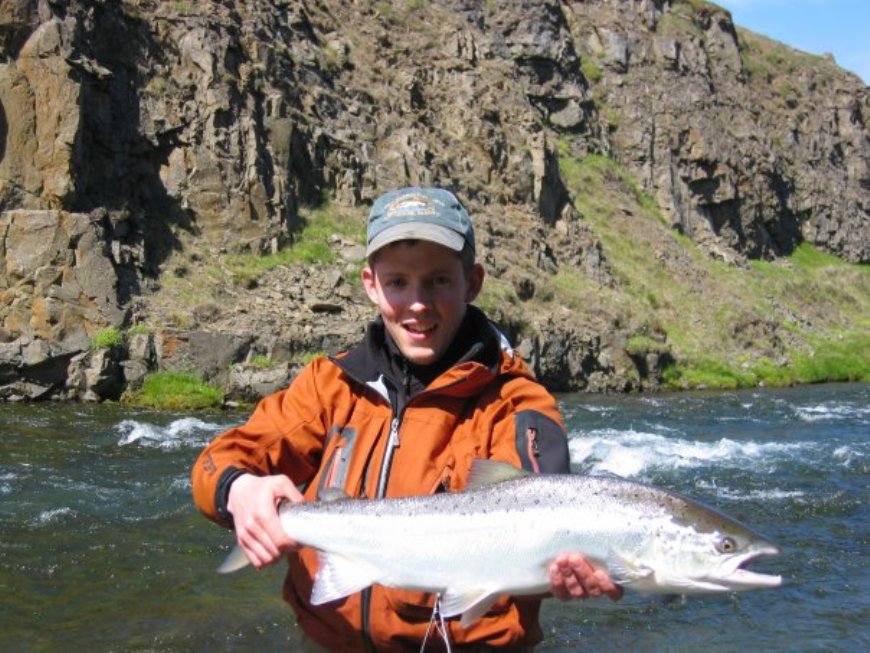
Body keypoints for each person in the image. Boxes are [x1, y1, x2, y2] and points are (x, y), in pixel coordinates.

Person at [191, 186, 621, 651]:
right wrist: (239, 490)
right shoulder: (327, 385)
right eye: (398, 282)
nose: (418, 303)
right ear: (371, 285)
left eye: (438, 281)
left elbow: (549, 510)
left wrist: (579, 566)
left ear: (471, 282)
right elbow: (216, 463)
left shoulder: (518, 404)